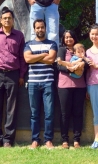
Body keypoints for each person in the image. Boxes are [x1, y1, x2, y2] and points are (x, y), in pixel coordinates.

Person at [0, 6, 27, 148]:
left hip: (13, 74)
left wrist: (21, 75)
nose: (7, 20)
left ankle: (8, 139)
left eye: (9, 18)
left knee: (12, 108)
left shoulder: (19, 36)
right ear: (1, 20)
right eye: (5, 18)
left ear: (13, 20)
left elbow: (22, 57)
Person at [24, 19, 57, 149]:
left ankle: (48, 140)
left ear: (45, 28)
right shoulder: (28, 44)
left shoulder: (52, 44)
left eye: (42, 27)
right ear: (34, 29)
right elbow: (27, 59)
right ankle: (35, 140)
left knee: (49, 113)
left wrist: (35, 57)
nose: (40, 30)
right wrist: (44, 54)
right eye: (37, 28)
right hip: (32, 83)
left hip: (48, 82)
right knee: (34, 113)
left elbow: (51, 60)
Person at [57, 30, 88, 148]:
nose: (68, 39)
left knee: (78, 113)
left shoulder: (80, 49)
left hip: (80, 86)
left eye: (70, 37)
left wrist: (81, 64)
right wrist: (70, 70)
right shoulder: (62, 50)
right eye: (66, 37)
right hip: (64, 86)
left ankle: (76, 140)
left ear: (74, 38)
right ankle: (64, 140)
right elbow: (59, 65)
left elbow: (88, 63)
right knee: (65, 113)